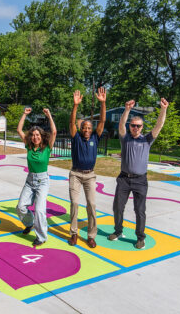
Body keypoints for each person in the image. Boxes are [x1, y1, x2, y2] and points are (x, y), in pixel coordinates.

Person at [108, 98, 168, 249]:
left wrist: (163, 109)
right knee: (118, 207)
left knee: (139, 210)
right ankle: (118, 231)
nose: (135, 128)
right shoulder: (125, 138)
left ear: (141, 127)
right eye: (133, 125)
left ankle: (140, 237)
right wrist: (127, 109)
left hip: (140, 180)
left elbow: (159, 126)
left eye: (138, 126)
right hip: (123, 179)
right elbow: (121, 124)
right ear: (130, 126)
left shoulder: (147, 140)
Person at [68, 88, 106, 248]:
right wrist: (75, 105)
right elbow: (71, 122)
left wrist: (103, 103)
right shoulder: (76, 137)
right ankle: (74, 233)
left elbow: (102, 122)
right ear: (81, 128)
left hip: (90, 176)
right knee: (75, 204)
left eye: (90, 127)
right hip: (76, 174)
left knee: (91, 205)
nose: (87, 130)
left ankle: (91, 235)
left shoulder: (96, 138)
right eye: (84, 127)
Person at [16, 107, 57, 246]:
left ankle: (41, 237)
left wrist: (49, 115)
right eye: (33, 135)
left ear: (41, 136)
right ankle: (29, 223)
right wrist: (24, 114)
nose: (35, 137)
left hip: (42, 181)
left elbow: (54, 132)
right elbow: (19, 130)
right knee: (21, 207)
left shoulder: (47, 147)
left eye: (38, 135)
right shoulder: (28, 145)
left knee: (39, 210)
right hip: (30, 180)